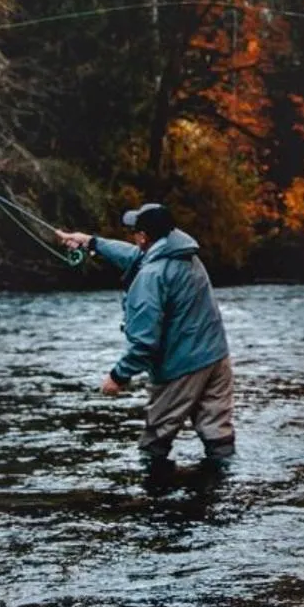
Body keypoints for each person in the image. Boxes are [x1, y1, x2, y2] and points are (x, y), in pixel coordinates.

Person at [55, 203, 235, 475]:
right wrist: (92, 243)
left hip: (181, 366)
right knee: (217, 434)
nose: (133, 237)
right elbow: (134, 257)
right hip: (216, 358)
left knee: (155, 442)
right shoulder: (182, 252)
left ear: (143, 237)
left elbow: (143, 343)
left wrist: (118, 376)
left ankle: (154, 506)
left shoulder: (151, 276)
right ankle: (222, 494)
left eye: (135, 232)